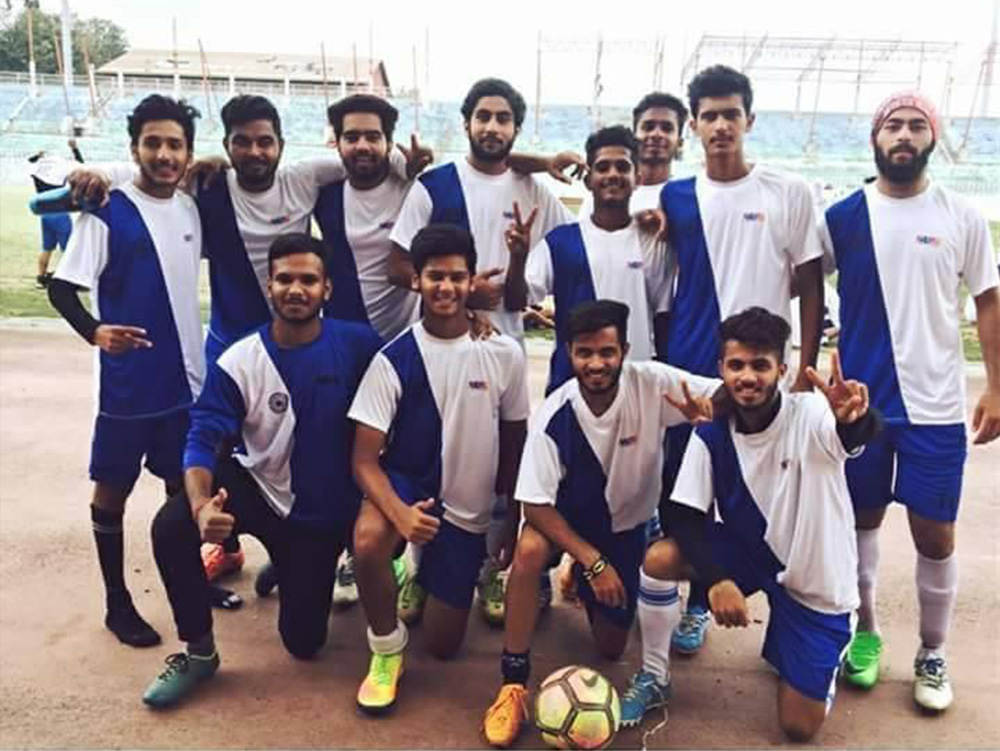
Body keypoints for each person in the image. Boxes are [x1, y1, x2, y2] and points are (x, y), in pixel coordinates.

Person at [141, 233, 383, 708]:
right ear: (269, 286)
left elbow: (415, 365)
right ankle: (199, 654)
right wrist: (201, 505)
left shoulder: (358, 344)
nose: (296, 289)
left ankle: (290, 566)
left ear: (327, 289)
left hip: (318, 516)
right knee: (171, 525)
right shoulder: (241, 359)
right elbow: (202, 437)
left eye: (308, 280)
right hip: (256, 486)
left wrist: (475, 320)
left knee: (304, 645)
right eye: (285, 279)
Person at [624, 307, 881, 740]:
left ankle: (819, 644)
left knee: (798, 727)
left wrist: (854, 420)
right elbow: (685, 515)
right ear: (721, 368)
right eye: (737, 365)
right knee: (660, 558)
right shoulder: (712, 430)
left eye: (760, 365)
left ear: (782, 369)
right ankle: (654, 675)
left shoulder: (810, 414)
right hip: (751, 552)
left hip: (815, 582)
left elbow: (850, 435)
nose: (747, 376)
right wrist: (718, 580)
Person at [823, 91, 1000, 711]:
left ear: (933, 138)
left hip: (937, 406)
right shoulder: (843, 216)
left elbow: (988, 300)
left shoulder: (961, 216)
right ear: (875, 138)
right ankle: (865, 631)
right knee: (859, 521)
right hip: (861, 407)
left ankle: (932, 651)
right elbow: (798, 277)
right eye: (893, 125)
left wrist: (996, 387)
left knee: (935, 534)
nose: (904, 134)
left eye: (916, 125)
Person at [481, 299, 721, 748]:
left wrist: (715, 408)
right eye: (585, 353)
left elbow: (724, 392)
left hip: (624, 528)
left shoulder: (652, 383)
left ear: (624, 350)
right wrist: (592, 561)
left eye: (607, 352)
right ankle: (512, 683)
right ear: (569, 353)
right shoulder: (555, 414)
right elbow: (534, 505)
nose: (596, 363)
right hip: (566, 525)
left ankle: (583, 574)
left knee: (611, 649)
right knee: (529, 551)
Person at [389, 77, 573, 625]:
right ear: (466, 122)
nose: (492, 127)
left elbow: (554, 265)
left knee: (499, 463)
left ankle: (495, 566)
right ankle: (421, 568)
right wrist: (465, 294)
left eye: (503, 119)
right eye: (483, 117)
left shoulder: (535, 191)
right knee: (432, 455)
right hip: (439, 347)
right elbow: (398, 266)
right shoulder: (434, 186)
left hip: (503, 348)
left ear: (516, 128)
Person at [657, 64, 825, 656]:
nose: (721, 125)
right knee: (686, 497)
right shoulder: (676, 197)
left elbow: (811, 284)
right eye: (709, 116)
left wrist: (806, 370)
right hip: (694, 371)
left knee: (769, 498)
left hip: (761, 374)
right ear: (693, 126)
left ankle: (790, 613)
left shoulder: (789, 191)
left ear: (749, 119)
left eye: (731, 114)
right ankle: (696, 600)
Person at [348, 224, 529, 715]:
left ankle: (419, 570)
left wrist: (511, 519)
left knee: (443, 645)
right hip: (409, 487)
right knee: (368, 541)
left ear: (472, 281)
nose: (445, 287)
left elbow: (516, 443)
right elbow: (363, 460)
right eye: (435, 277)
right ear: (417, 280)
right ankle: (386, 650)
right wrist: (400, 515)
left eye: (456, 277)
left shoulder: (504, 353)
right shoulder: (393, 359)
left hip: (468, 506)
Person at [46, 94, 204, 649]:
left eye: (175, 144)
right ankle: (117, 601)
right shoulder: (108, 210)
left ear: (188, 153)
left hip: (185, 381)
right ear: (134, 149)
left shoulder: (190, 207)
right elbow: (62, 288)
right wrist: (95, 331)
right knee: (112, 490)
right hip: (129, 387)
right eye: (152, 143)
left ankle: (189, 586)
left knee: (182, 489)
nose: (164, 154)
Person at [504, 125, 672, 394]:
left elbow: (663, 317)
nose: (613, 174)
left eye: (622, 167)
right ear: (588, 179)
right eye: (603, 167)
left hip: (635, 385)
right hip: (571, 386)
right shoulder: (560, 242)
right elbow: (515, 301)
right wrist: (518, 258)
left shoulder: (652, 241)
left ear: (638, 178)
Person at [577, 91, 687, 218]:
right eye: (648, 127)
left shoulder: (686, 198)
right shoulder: (605, 191)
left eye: (667, 129)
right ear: (634, 136)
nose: (656, 134)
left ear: (680, 142)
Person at [28, 137, 84, 288]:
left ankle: (41, 279)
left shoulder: (37, 167)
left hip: (44, 213)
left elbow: (30, 161)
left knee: (47, 248)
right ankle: (70, 280)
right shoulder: (61, 166)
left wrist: (37, 156)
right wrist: (74, 149)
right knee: (69, 249)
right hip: (59, 211)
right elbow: (81, 165)